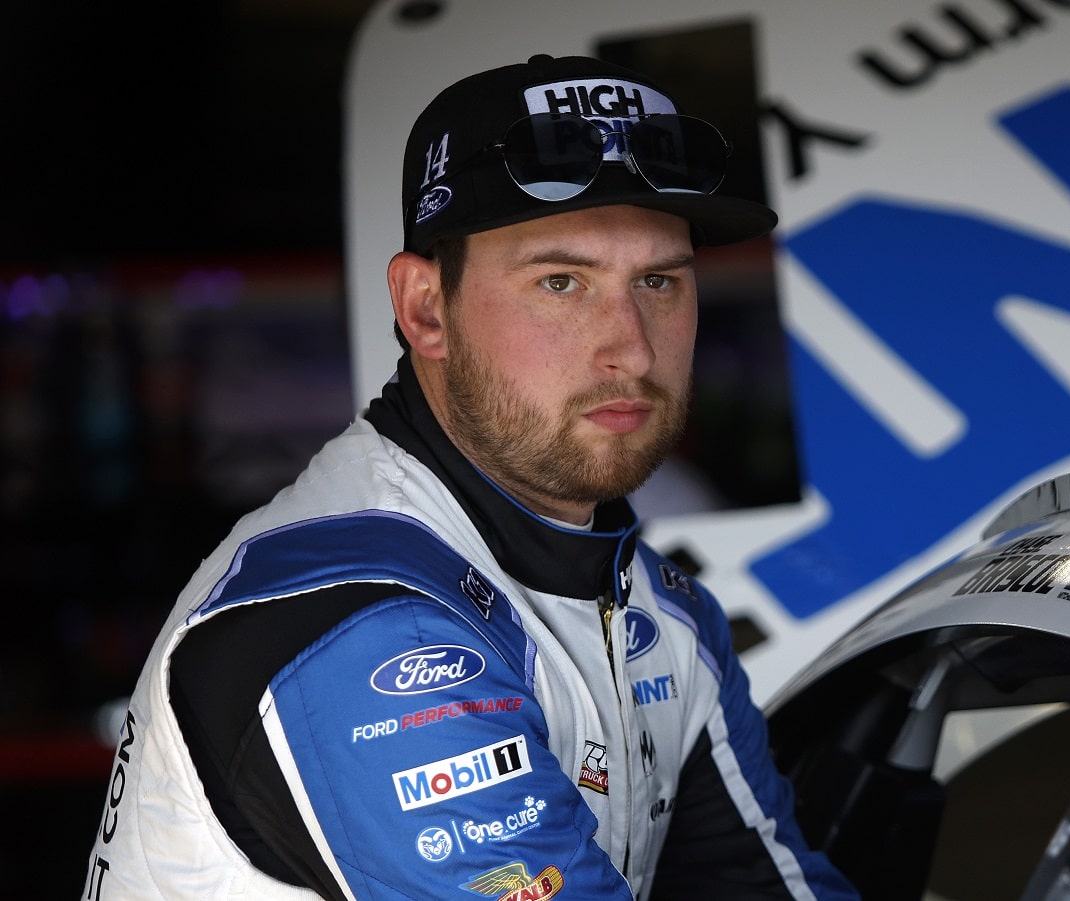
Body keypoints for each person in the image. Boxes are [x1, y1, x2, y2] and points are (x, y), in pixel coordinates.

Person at [83, 53, 859, 901]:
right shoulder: (360, 627)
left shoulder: (661, 610)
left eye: (659, 281)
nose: (632, 346)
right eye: (561, 282)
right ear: (426, 309)